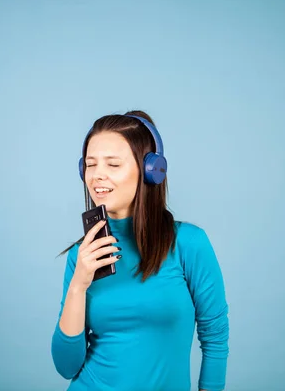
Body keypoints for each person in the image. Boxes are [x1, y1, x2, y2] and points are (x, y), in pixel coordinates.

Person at [51, 110, 229, 391]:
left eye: (113, 164)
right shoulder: (82, 255)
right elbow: (66, 366)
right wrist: (78, 285)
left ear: (151, 171)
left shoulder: (187, 243)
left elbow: (215, 337)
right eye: (90, 164)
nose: (97, 175)